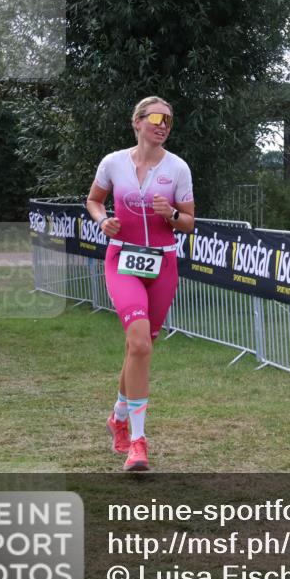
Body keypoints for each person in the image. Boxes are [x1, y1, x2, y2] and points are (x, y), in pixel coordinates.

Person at [85, 96, 194, 470]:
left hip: (162, 262)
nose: (164, 125)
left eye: (169, 119)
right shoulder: (113, 163)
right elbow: (94, 201)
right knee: (140, 345)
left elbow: (189, 223)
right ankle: (138, 441)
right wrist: (103, 221)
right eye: (157, 117)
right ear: (138, 122)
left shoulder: (178, 168)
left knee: (141, 346)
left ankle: (117, 416)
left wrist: (173, 213)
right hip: (123, 259)